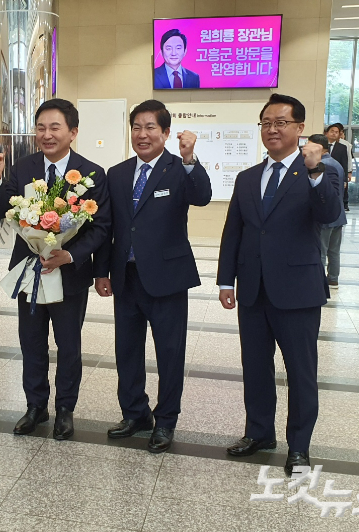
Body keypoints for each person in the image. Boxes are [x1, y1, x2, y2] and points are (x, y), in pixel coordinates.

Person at [217, 94, 341, 476]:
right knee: (255, 366)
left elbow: (330, 214)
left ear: (299, 128)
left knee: (300, 371)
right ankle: (259, 433)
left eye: (281, 122)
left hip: (298, 290)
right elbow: (233, 232)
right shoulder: (248, 177)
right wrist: (226, 281)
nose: (272, 129)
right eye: (266, 122)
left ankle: (299, 447)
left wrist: (316, 172)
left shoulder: (320, 171)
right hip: (253, 289)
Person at [0, 99, 110, 440]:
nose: (46, 134)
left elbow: (100, 228)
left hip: (69, 275)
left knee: (68, 345)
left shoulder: (91, 174)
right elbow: (4, 209)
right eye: (41, 128)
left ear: (72, 132)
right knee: (31, 342)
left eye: (55, 127)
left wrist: (68, 256)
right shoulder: (22, 167)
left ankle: (65, 409)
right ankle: (35, 406)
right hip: (29, 271)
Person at [93, 100, 211, 453]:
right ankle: (134, 413)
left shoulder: (179, 169)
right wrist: (101, 272)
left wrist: (190, 159)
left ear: (166, 133)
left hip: (167, 278)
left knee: (170, 354)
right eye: (136, 128)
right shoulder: (116, 172)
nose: (142, 135)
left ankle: (166, 421)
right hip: (125, 277)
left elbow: (202, 197)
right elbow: (108, 227)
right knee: (126, 350)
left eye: (150, 128)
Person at [308, 134, 347, 289]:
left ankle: (318, 280)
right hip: (339, 216)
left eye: (309, 145)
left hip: (327, 217)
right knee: (334, 250)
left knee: (321, 250)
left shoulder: (321, 165)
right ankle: (333, 278)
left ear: (319, 147)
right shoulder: (336, 163)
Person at [325, 124, 349, 210]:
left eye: (336, 132)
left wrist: (345, 180)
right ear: (326, 133)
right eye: (332, 131)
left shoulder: (342, 147)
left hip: (336, 176)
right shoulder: (321, 145)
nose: (334, 134)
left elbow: (344, 164)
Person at [339, 128, 353, 211]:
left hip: (343, 169)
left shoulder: (346, 144)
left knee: (344, 187)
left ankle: (345, 203)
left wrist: (349, 171)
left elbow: (349, 158)